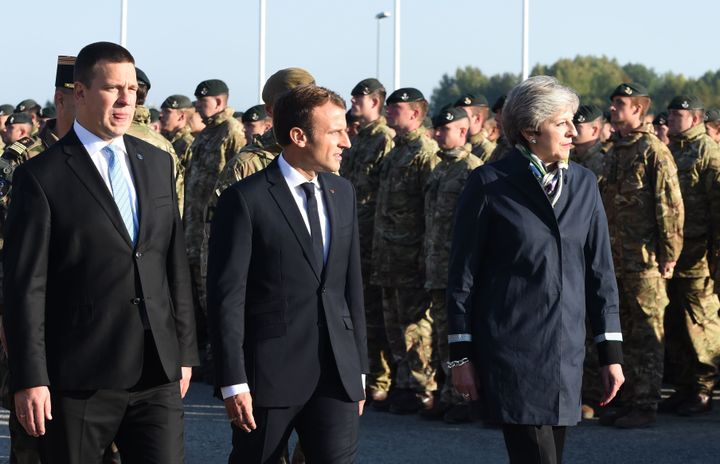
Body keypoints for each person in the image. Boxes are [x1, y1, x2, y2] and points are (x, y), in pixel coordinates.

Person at [2, 41, 199, 463]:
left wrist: (183, 350)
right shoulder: (41, 176)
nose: (127, 99)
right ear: (80, 93)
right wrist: (30, 377)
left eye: (132, 88)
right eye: (113, 88)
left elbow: (172, 263)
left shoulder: (156, 162)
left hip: (156, 372)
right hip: (79, 377)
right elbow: (26, 286)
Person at [448, 76, 624, 464]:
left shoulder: (583, 183)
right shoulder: (490, 183)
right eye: (562, 123)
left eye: (573, 122)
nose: (573, 132)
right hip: (512, 349)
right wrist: (460, 356)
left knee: (552, 456)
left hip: (566, 350)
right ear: (530, 130)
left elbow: (600, 274)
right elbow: (463, 276)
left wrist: (610, 353)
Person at [207, 84, 368, 463]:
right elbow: (227, 297)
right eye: (335, 131)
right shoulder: (246, 200)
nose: (346, 141)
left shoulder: (342, 193)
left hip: (336, 376)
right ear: (298, 136)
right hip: (269, 376)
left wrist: (358, 366)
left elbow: (350, 287)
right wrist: (233, 380)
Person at [598, 83, 684, 428]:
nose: (614, 109)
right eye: (613, 103)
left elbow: (669, 207)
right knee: (626, 333)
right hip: (617, 259)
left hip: (646, 261)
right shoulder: (616, 150)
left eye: (620, 104)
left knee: (648, 334)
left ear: (638, 109)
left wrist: (669, 254)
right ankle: (629, 398)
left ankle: (646, 403)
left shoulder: (653, 150)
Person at [372, 87, 439, 414]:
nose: (388, 113)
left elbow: (431, 209)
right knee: (394, 325)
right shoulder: (396, 151)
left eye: (395, 108)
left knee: (415, 326)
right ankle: (403, 382)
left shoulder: (424, 152)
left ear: (414, 113)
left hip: (410, 253)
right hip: (387, 254)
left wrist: (424, 254)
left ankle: (423, 387)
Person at [421, 106, 482, 424]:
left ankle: (465, 399)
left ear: (463, 131)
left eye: (445, 130)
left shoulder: (473, 169)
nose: (438, 134)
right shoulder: (439, 169)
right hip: (435, 264)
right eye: (437, 129)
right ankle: (448, 394)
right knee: (441, 332)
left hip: (458, 267)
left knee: (460, 332)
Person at [663, 95, 720, 416]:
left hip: (699, 253)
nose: (671, 119)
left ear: (696, 120)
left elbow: (716, 207)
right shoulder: (671, 150)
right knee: (675, 322)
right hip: (674, 253)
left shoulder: (708, 152)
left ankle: (703, 388)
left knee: (700, 322)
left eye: (678, 114)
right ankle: (684, 386)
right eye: (670, 114)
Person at [340, 77, 395, 405]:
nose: (353, 102)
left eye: (358, 98)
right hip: (355, 232)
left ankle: (382, 377)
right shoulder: (358, 139)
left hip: (376, 235)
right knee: (361, 307)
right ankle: (369, 371)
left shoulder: (385, 139)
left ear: (375, 102)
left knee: (376, 310)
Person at [453, 93, 496, 162]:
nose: (456, 120)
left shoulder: (488, 152)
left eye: (463, 116)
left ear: (477, 119)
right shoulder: (456, 147)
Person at [570, 104, 606, 178]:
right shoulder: (566, 157)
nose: (572, 131)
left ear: (594, 130)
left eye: (577, 127)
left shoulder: (604, 161)